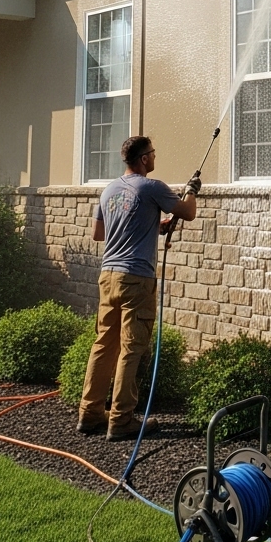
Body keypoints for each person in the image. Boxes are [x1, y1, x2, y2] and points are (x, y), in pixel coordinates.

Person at [77, 135, 200, 440]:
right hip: (137, 278)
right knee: (132, 348)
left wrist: (154, 226)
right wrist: (191, 191)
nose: (155, 158)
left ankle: (90, 414)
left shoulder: (109, 190)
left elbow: (99, 233)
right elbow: (188, 212)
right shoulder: (152, 186)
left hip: (108, 276)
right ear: (144, 159)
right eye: (153, 154)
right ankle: (121, 420)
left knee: (104, 344)